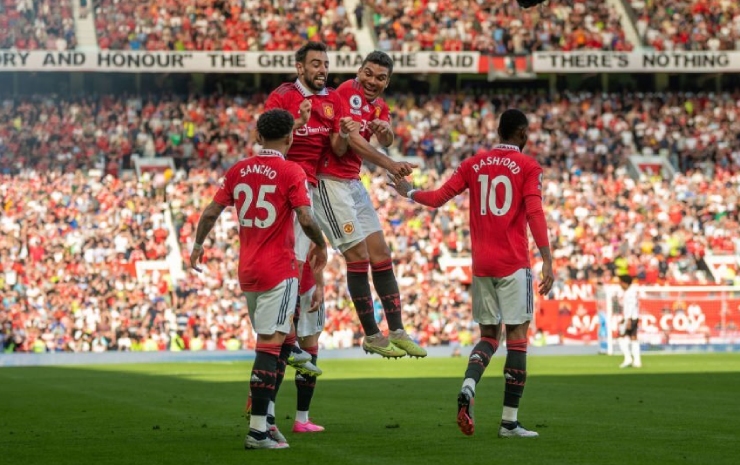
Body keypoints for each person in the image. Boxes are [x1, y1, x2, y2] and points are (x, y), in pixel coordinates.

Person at [388, 109, 554, 438]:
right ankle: (509, 422)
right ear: (521, 134)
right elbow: (534, 211)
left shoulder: (473, 164)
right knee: (517, 339)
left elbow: (436, 199)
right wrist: (548, 258)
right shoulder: (529, 166)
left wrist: (408, 191)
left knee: (489, 337)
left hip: (481, 266)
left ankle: (468, 384)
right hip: (513, 263)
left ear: (498, 131)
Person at [189, 108, 328, 450]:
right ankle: (256, 431)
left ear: (258, 136)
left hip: (247, 270)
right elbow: (307, 219)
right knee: (269, 346)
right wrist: (322, 245)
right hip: (279, 270)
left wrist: (197, 245)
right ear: (290, 137)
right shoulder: (290, 169)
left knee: (276, 344)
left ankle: (267, 420)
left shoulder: (238, 170)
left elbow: (210, 211)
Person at [262, 40, 355, 432]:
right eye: (315, 63)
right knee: (295, 267)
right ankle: (264, 406)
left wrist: (345, 134)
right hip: (288, 186)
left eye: (325, 63)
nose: (322, 68)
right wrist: (297, 122)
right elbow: (267, 140)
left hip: (315, 187)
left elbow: (334, 148)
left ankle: (301, 417)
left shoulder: (333, 99)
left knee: (316, 271)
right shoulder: (282, 95)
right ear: (299, 66)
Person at [314, 50, 424, 358]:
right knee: (358, 256)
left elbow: (384, 136)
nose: (372, 81)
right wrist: (389, 163)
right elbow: (347, 143)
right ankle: (373, 335)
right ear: (359, 71)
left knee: (381, 253)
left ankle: (398, 330)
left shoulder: (380, 106)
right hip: (329, 183)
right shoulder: (346, 92)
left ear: (387, 81)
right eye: (368, 73)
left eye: (380, 77)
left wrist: (385, 132)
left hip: (352, 183)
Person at [618, 275, 642, 368]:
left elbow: (631, 306)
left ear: (625, 283)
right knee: (633, 338)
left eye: (621, 283)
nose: (620, 285)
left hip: (630, 318)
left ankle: (628, 359)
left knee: (621, 337)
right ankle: (637, 361)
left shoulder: (630, 292)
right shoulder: (631, 291)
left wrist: (627, 319)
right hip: (633, 317)